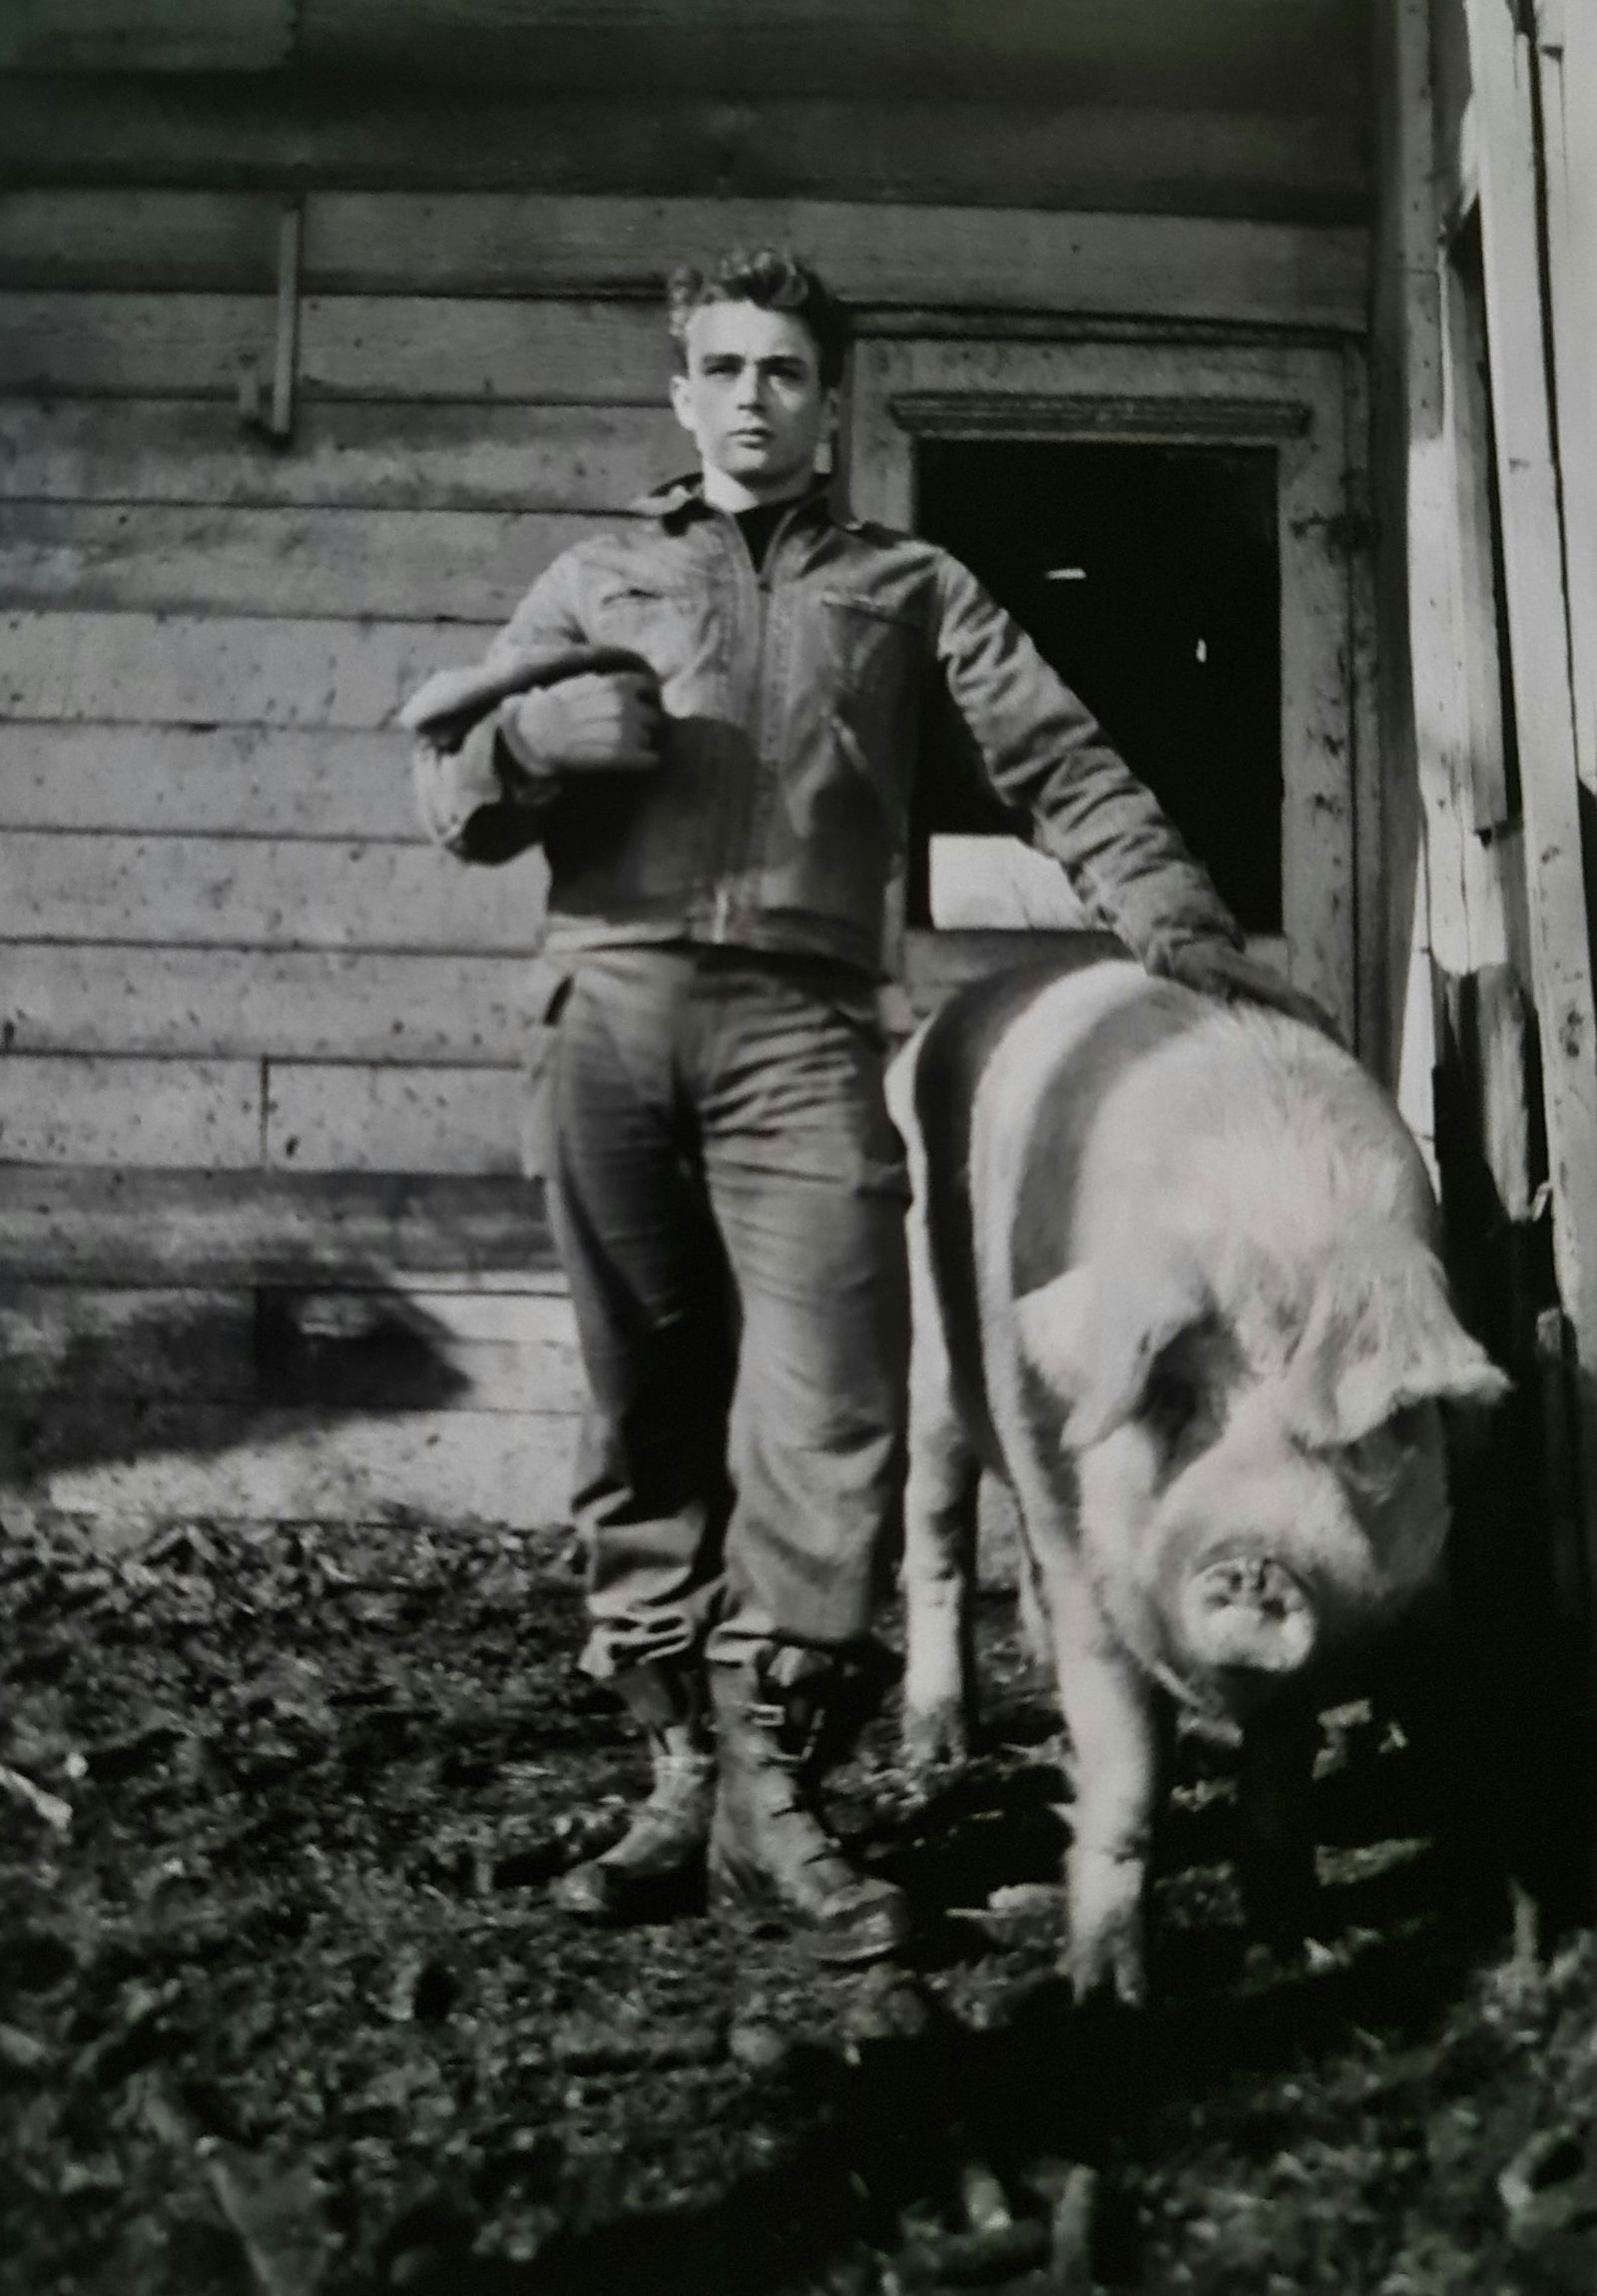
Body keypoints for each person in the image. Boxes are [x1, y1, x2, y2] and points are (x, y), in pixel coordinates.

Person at [402, 247, 1324, 1965]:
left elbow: (1059, 765)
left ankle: (776, 1791)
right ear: (680, 394)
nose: (751, 398)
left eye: (784, 374)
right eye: (722, 369)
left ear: (830, 409)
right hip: (606, 1014)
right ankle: (686, 1775)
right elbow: (446, 791)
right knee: (641, 1405)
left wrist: (1184, 926)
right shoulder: (596, 577)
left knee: (831, 1407)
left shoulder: (911, 589)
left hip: (807, 1030)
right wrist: (533, 753)